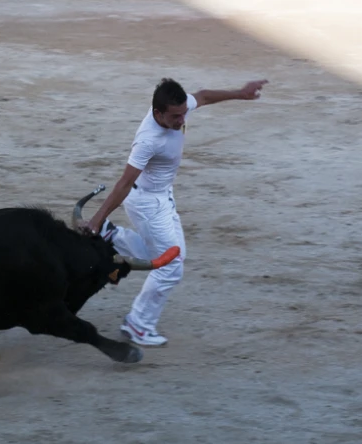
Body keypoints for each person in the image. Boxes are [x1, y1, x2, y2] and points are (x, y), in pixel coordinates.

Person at [79, 77, 268, 347]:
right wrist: (97, 220)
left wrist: (241, 93)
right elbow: (123, 183)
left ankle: (113, 236)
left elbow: (202, 96)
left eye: (183, 114)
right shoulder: (148, 141)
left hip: (162, 197)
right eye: (175, 117)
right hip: (147, 203)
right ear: (158, 113)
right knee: (170, 267)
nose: (181, 121)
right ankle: (138, 325)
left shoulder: (175, 108)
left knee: (159, 257)